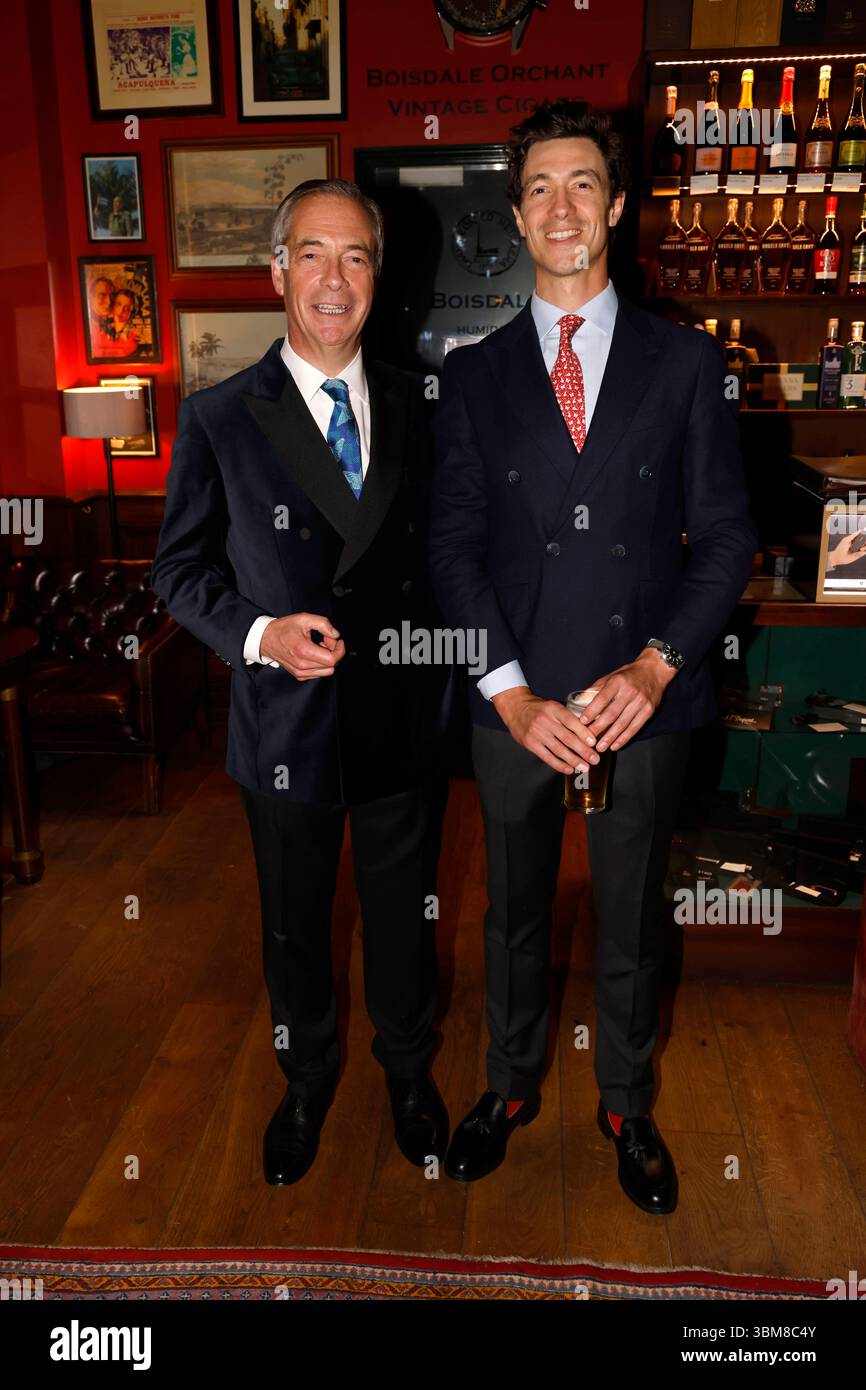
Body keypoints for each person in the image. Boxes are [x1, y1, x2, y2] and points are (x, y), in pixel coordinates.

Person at [430, 101, 759, 1213]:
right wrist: (512, 694)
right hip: (512, 698)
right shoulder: (470, 379)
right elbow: (451, 546)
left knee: (629, 914)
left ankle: (624, 1100)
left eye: (581, 184)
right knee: (512, 915)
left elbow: (724, 538)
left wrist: (657, 664)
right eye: (537, 189)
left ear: (615, 206)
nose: (559, 207)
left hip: (642, 698)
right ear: (516, 217)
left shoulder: (685, 365)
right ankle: (510, 1086)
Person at [151, 179, 452, 1187]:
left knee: (405, 916)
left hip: (401, 721)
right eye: (312, 255)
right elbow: (179, 571)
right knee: (293, 924)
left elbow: (452, 560)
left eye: (356, 256)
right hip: (280, 731)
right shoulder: (222, 416)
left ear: (378, 274)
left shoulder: (421, 405)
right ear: (276, 272)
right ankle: (306, 1077)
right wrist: (260, 632)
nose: (334, 279)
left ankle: (407, 1075)